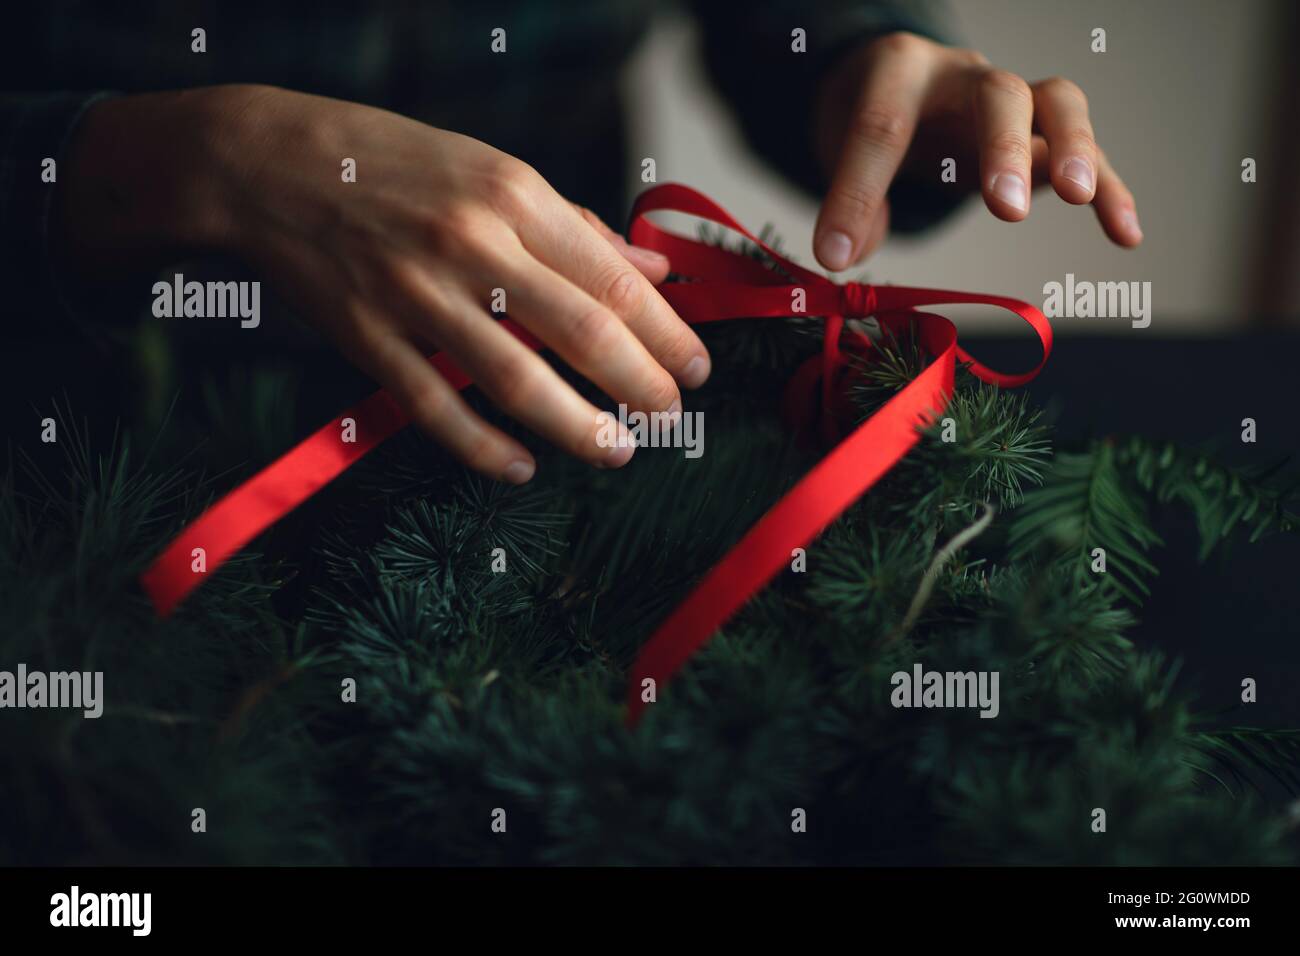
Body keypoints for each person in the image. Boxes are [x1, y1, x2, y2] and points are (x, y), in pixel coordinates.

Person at [1, 1, 1140, 485]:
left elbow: (791, 26)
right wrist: (183, 156)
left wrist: (878, 69)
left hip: (552, 443)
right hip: (67, 442)